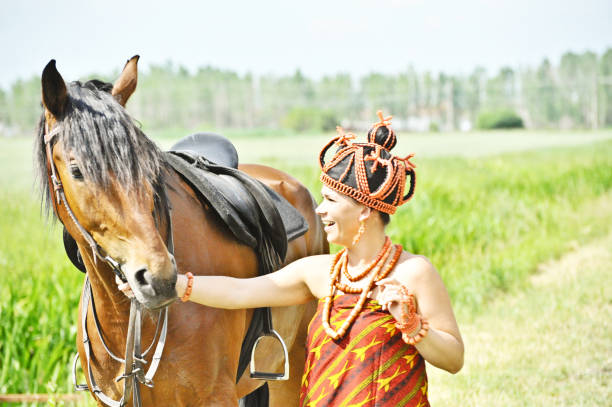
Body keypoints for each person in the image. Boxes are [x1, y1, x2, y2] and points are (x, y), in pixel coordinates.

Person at [118, 111, 464, 406]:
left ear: (364, 212)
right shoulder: (320, 273)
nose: (319, 210)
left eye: (331, 201)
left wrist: (413, 325)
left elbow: (453, 359)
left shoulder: (414, 273)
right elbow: (241, 292)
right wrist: (173, 284)